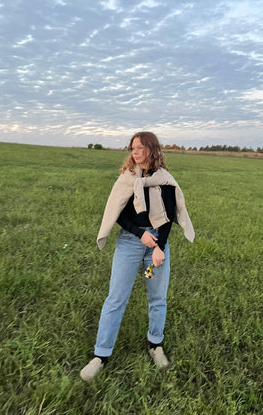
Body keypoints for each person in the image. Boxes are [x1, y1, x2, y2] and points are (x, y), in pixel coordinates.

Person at [80, 131, 195, 380]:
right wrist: (139, 234)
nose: (135, 152)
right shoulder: (127, 178)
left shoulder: (164, 180)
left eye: (140, 148)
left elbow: (168, 216)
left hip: (156, 244)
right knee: (116, 298)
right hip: (130, 243)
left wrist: (158, 248)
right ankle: (101, 355)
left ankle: (155, 345)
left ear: (152, 150)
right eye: (132, 148)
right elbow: (117, 212)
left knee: (158, 298)